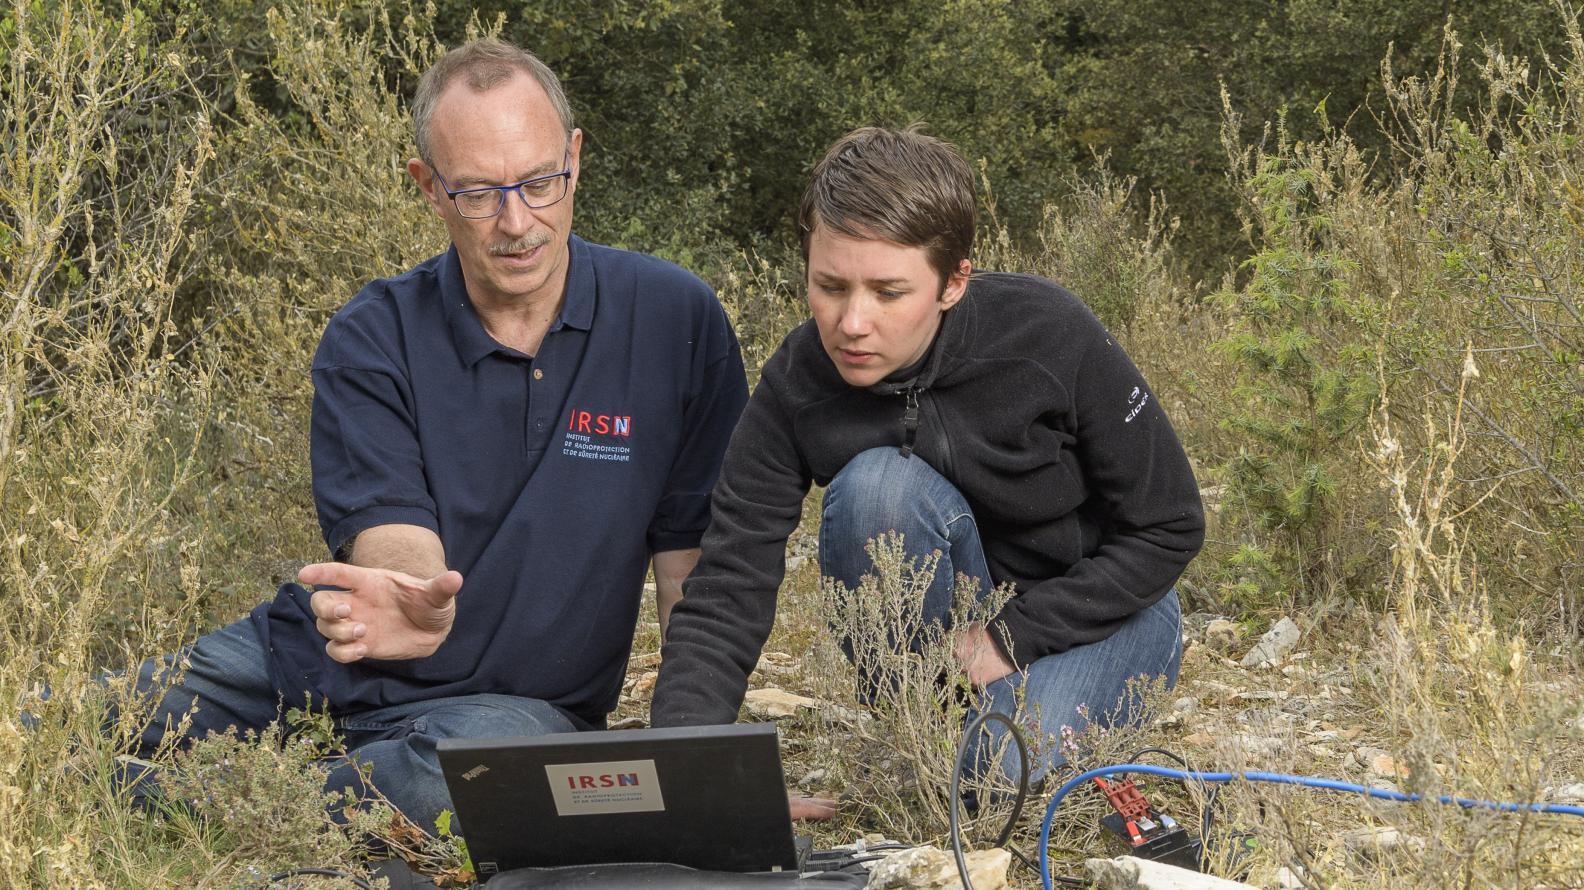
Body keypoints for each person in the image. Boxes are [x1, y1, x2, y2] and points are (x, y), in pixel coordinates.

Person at [120, 38, 748, 831]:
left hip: (516, 712)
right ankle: (122, 784)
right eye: (479, 193)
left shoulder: (675, 320)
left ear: (576, 159)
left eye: (541, 183)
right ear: (429, 188)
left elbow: (693, 567)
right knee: (52, 726)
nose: (518, 222)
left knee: (460, 784)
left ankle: (162, 799)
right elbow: (390, 533)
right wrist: (419, 602)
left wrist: (705, 774)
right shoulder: (371, 333)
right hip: (306, 660)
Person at [651, 126, 1203, 783]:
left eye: (888, 293)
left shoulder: (1050, 333)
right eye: (830, 287)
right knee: (875, 488)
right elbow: (728, 585)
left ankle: (988, 749)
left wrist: (1010, 640)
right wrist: (678, 770)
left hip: (1108, 616)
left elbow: (1170, 525)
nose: (852, 323)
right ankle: (931, 734)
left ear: (952, 282)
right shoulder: (797, 383)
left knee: (992, 768)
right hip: (944, 658)